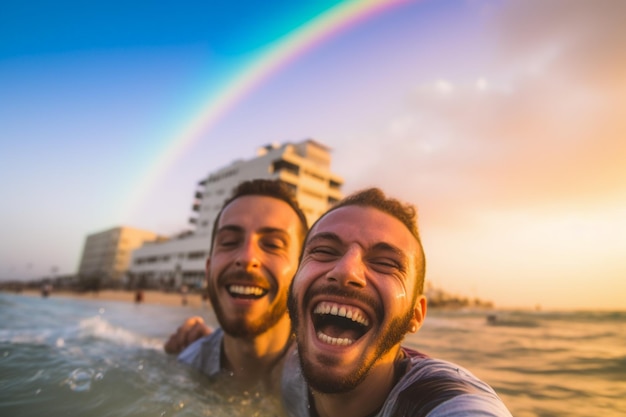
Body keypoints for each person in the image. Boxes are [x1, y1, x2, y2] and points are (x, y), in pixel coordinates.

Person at [167, 187, 511, 416]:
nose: (346, 270)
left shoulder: (440, 399)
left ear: (416, 315)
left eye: (385, 262)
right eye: (324, 251)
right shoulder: (202, 362)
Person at [170, 179, 308, 399]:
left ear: (303, 273)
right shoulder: (185, 367)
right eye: (229, 241)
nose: (246, 258)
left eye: (273, 245)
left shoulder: (324, 381)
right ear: (208, 269)